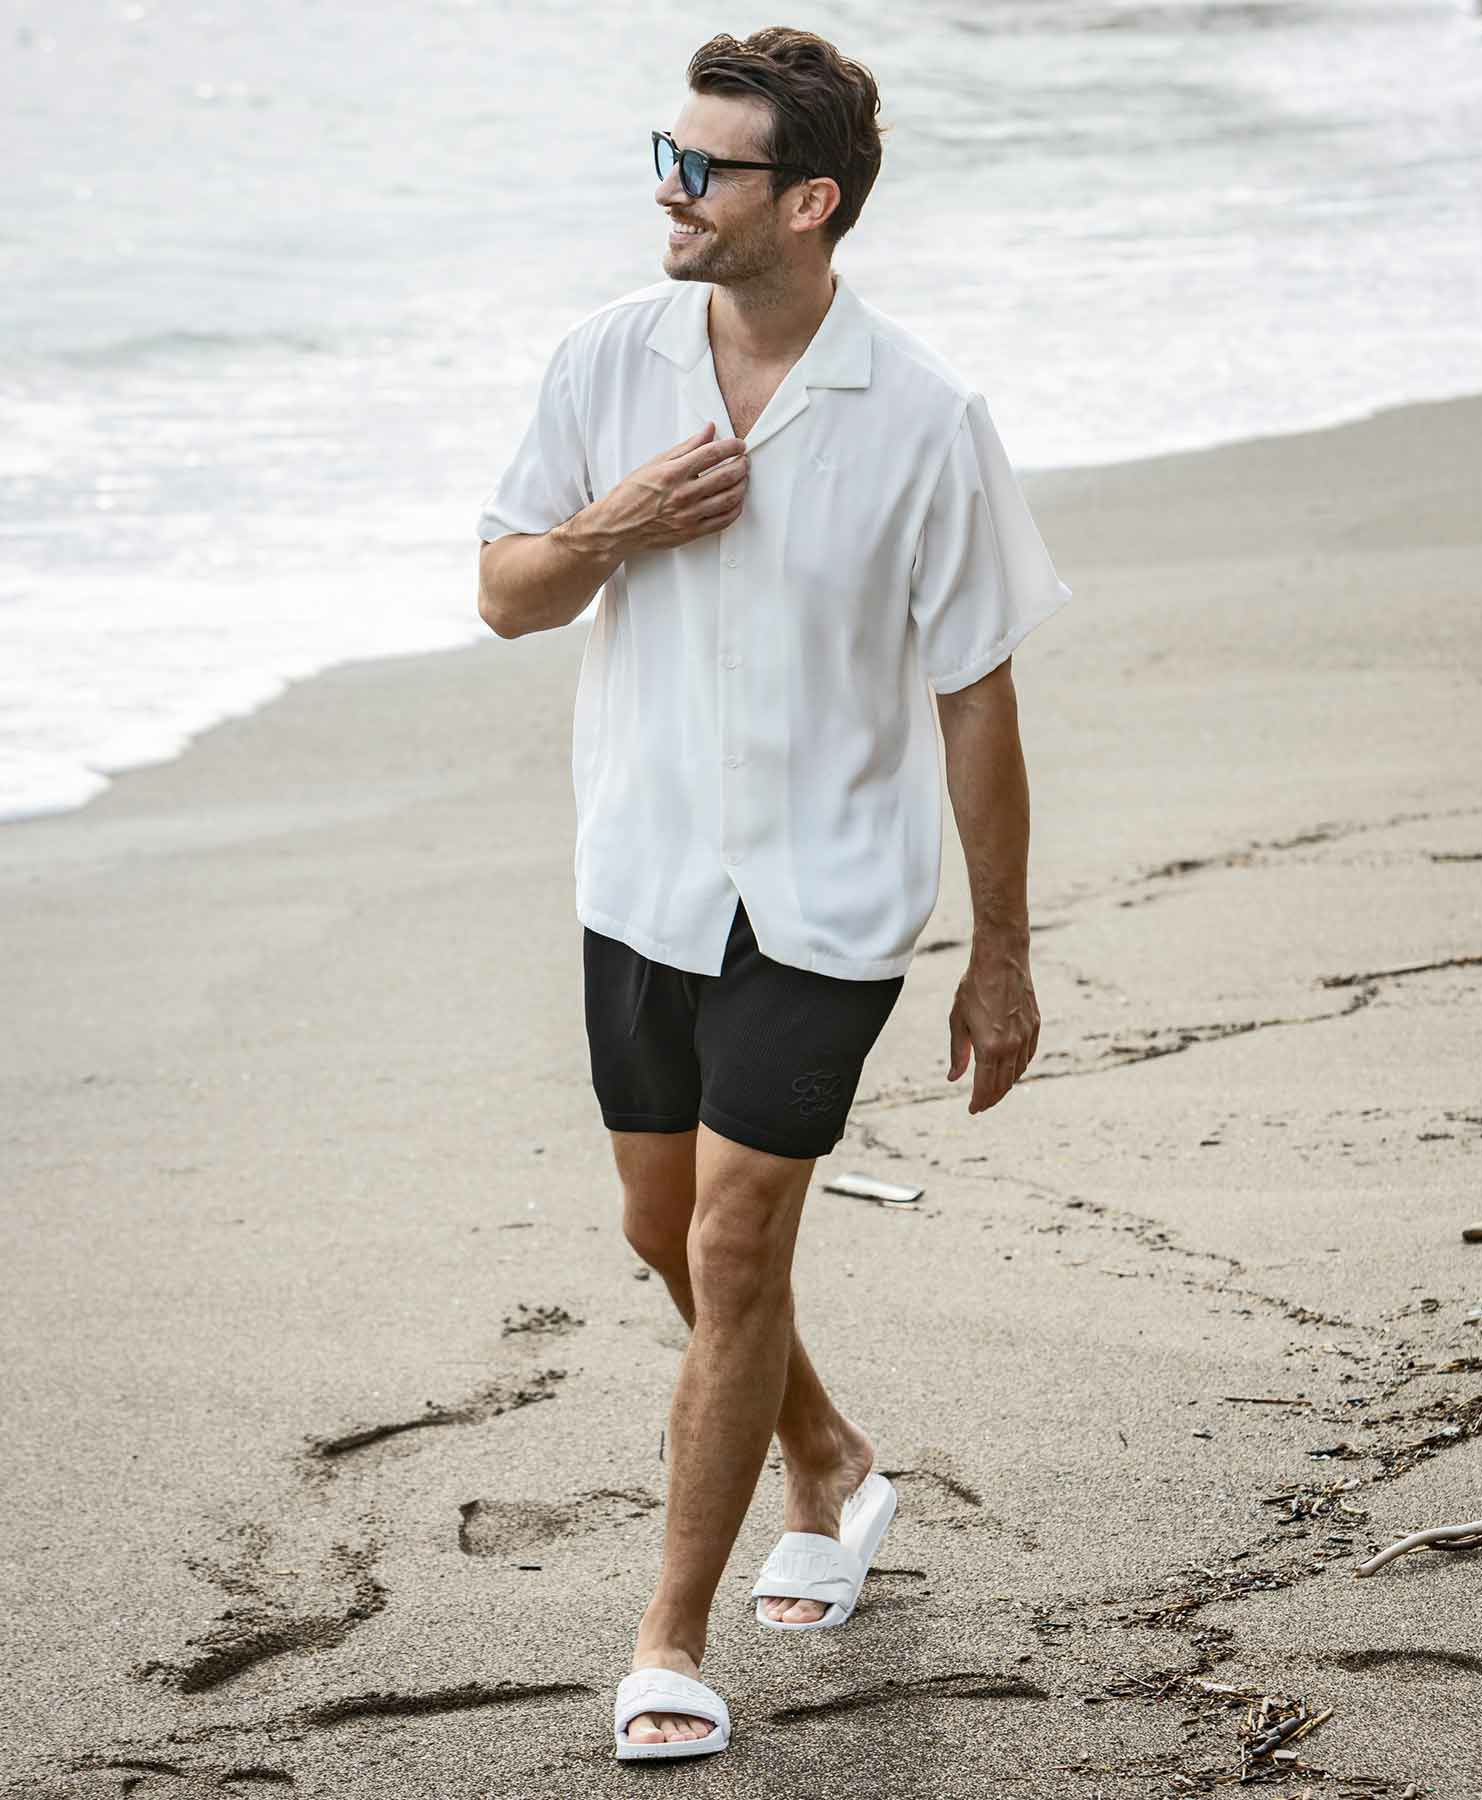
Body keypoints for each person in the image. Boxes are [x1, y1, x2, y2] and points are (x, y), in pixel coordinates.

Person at [474, 26, 1072, 1762]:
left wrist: (1001, 953)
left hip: (827, 897)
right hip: (642, 872)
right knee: (662, 1231)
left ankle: (669, 1641)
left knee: (735, 1245)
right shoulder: (606, 361)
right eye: (662, 157)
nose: (669, 191)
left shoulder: (927, 418)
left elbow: (977, 694)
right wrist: (618, 524)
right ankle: (830, 1457)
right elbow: (508, 594)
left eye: (704, 168)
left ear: (808, 203)